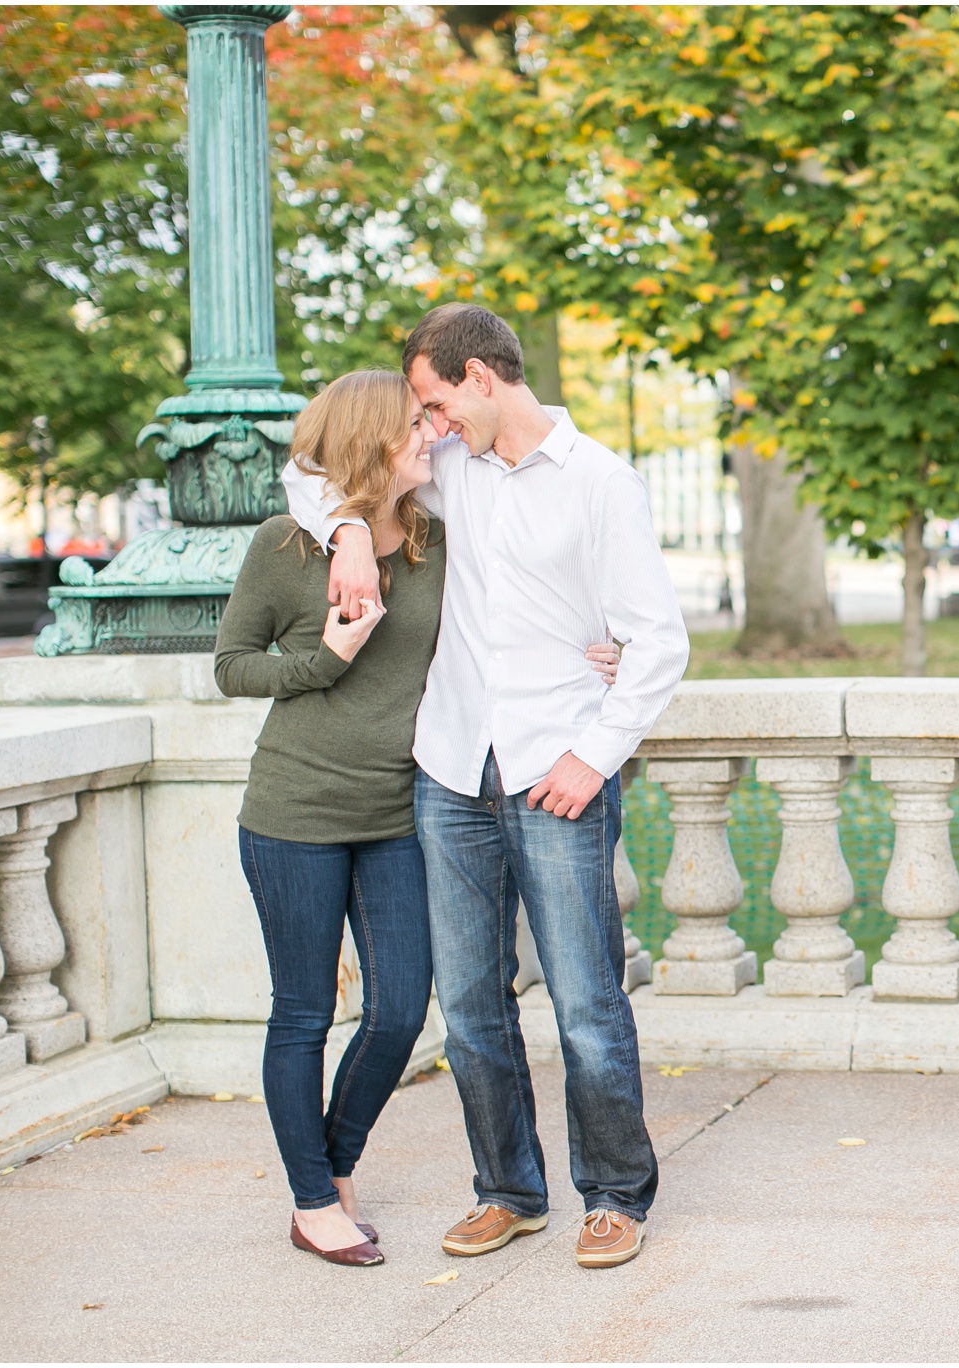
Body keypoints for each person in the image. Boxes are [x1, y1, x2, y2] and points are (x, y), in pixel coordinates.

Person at [283, 304, 690, 1271]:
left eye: (431, 400)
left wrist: (596, 754)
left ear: (479, 378)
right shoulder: (448, 470)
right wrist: (346, 533)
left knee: (588, 1001)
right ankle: (507, 1190)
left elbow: (657, 640)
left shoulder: (600, 482)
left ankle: (615, 1195)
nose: (426, 423)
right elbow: (306, 469)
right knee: (469, 1004)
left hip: (559, 772)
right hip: (453, 769)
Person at [221, 370, 620, 1268]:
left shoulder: (433, 538)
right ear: (371, 443)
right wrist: (322, 657)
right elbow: (231, 665)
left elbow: (504, 615)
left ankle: (331, 1161)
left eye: (432, 417)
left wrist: (597, 649)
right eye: (413, 425)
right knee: (300, 1014)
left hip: (401, 807)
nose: (432, 435)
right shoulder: (285, 547)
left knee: (403, 1010)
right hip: (294, 811)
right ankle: (317, 1198)